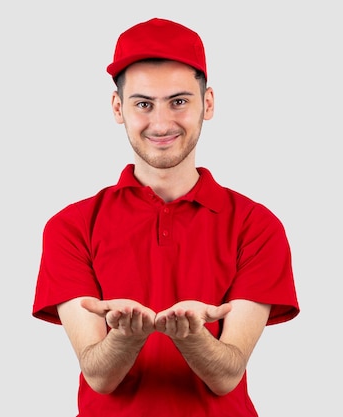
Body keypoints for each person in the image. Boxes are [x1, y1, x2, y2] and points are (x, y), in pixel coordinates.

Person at [32, 17, 300, 417]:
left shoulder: (256, 226)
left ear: (207, 103)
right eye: (143, 104)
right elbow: (99, 376)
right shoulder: (70, 227)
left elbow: (226, 374)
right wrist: (126, 338)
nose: (161, 123)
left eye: (179, 101)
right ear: (118, 107)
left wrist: (192, 338)